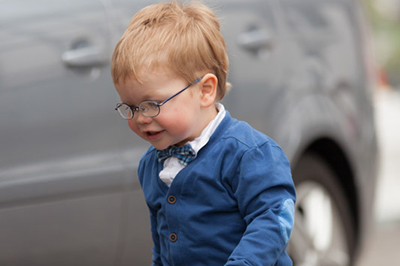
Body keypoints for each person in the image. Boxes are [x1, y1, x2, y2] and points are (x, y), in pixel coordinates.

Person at [111, 1, 296, 265]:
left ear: (206, 91)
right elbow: (162, 246)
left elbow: (274, 217)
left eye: (152, 104)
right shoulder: (149, 166)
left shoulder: (248, 154)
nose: (140, 118)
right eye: (130, 107)